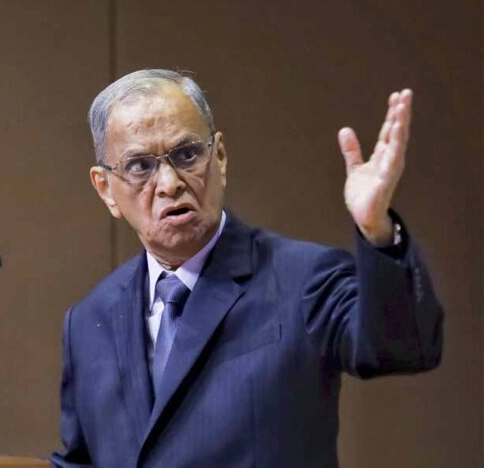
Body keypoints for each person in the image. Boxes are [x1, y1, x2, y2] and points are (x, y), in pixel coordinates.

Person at [49, 69, 443, 467]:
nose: (169, 183)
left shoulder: (303, 279)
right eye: (140, 166)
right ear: (105, 188)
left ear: (219, 157)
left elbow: (402, 347)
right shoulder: (88, 322)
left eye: (186, 155)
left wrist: (377, 230)